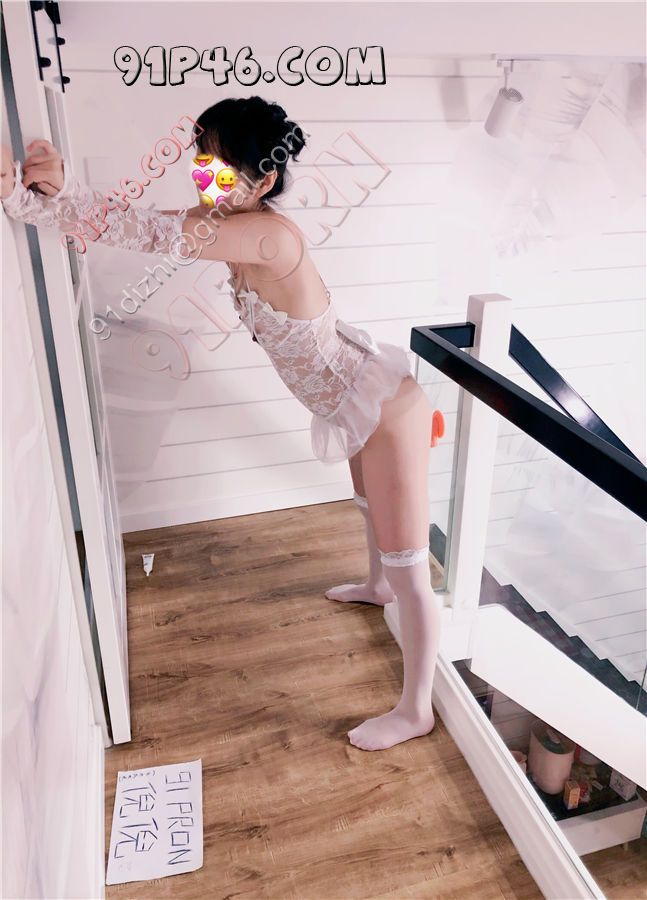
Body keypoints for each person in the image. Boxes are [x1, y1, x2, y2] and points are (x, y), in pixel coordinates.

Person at [1, 95, 442, 752]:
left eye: (223, 167)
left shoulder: (266, 236)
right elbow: (141, 223)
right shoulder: (228, 219)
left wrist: (41, 199)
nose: (205, 176)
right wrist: (45, 201)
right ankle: (376, 587)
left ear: (264, 180)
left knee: (411, 566)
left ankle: (415, 709)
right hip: (346, 393)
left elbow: (146, 233)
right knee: (366, 508)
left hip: (384, 409)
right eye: (201, 160)